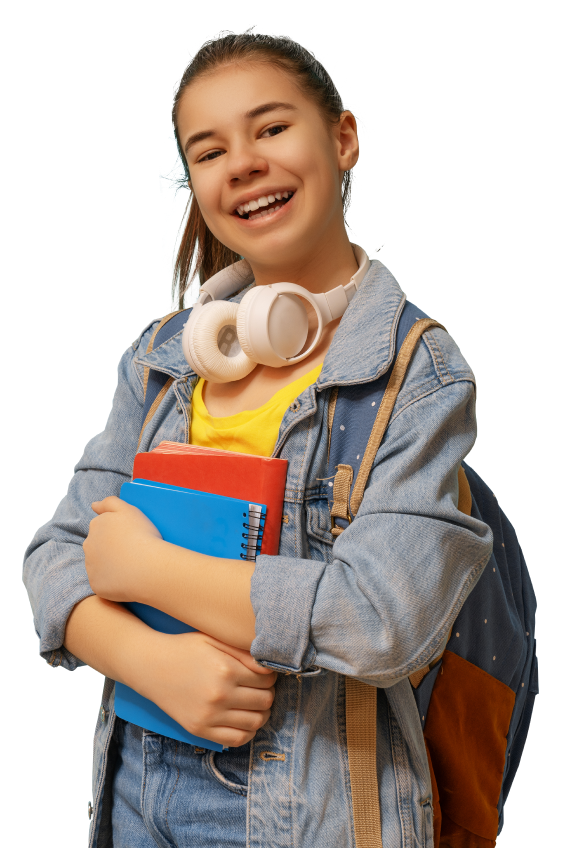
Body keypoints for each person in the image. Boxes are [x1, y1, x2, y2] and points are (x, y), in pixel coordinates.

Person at [22, 27, 493, 848]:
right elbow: (54, 558)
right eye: (208, 150)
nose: (241, 162)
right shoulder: (163, 357)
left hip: (306, 807)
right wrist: (150, 663)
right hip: (135, 788)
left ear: (343, 138)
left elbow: (381, 618)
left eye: (270, 128)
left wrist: (148, 571)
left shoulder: (419, 375)